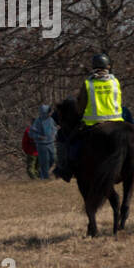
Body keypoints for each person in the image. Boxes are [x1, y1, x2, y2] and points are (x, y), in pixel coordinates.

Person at [55, 54, 123, 182]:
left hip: (94, 122)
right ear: (108, 66)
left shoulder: (88, 84)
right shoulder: (115, 81)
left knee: (71, 142)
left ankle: (66, 168)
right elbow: (118, 99)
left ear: (93, 66)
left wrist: (82, 113)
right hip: (117, 120)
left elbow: (81, 106)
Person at [29, 105, 57, 181]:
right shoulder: (37, 121)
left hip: (51, 143)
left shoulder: (51, 120)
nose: (49, 114)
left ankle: (42, 173)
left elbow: (54, 129)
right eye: (47, 112)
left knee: (53, 159)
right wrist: (39, 136)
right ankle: (45, 177)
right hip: (41, 144)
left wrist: (55, 133)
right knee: (45, 161)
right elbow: (31, 134)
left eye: (49, 112)